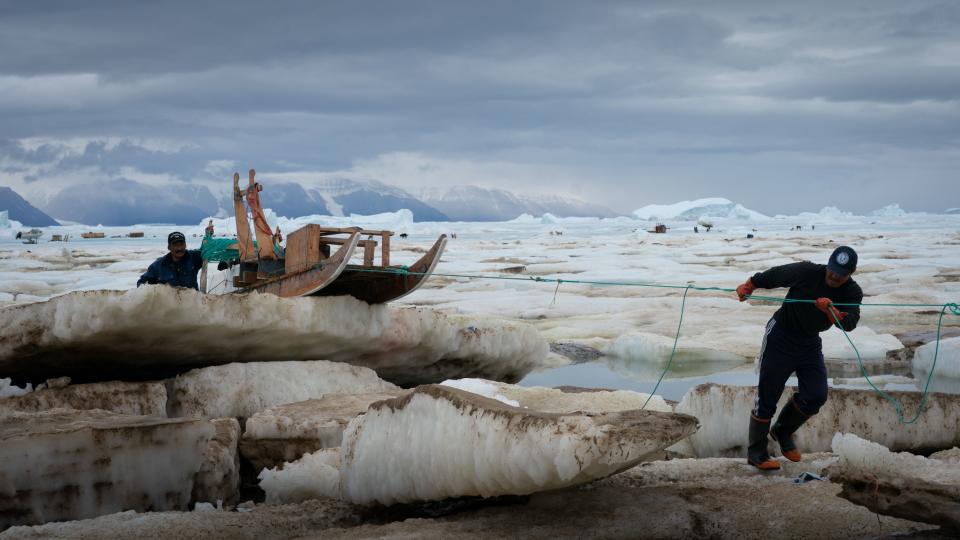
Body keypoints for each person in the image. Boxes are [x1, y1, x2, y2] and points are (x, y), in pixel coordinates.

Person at [735, 246, 862, 470]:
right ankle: (756, 452)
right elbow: (775, 276)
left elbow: (850, 323)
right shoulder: (807, 271)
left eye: (841, 274)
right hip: (781, 336)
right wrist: (750, 285)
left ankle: (782, 430)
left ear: (851, 273)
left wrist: (831, 312)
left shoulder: (852, 292)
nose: (834, 276)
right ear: (828, 264)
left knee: (816, 395)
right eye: (832, 270)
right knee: (768, 395)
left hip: (809, 343)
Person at [137, 231, 205, 290]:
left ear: (185, 245)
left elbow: (206, 251)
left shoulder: (193, 258)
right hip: (168, 304)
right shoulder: (159, 265)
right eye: (175, 245)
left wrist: (208, 235)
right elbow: (141, 284)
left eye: (182, 244)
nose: (179, 248)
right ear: (169, 247)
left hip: (191, 303)